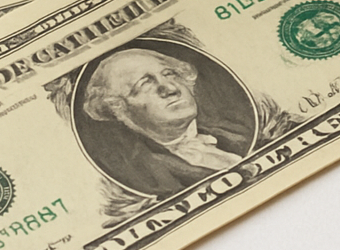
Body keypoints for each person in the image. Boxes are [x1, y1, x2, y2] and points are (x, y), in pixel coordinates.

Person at [81, 47, 253, 197]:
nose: (171, 89)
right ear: (118, 108)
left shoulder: (237, 133)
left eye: (169, 74)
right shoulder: (141, 175)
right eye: (144, 84)